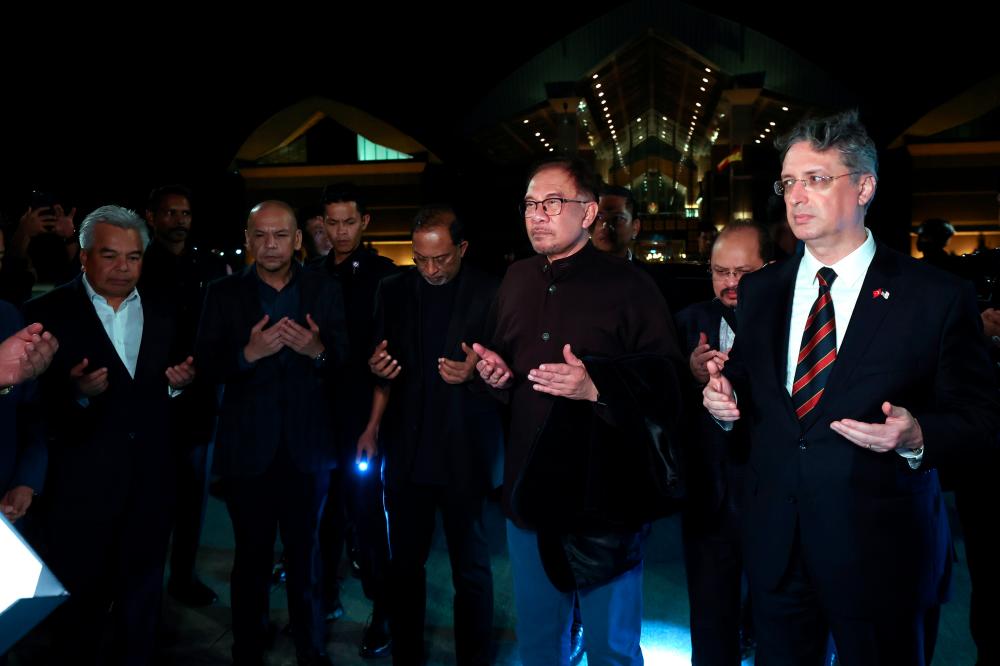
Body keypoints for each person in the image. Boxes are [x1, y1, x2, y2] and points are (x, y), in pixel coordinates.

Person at [703, 110, 999, 665]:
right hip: (778, 548)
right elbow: (745, 388)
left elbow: (983, 419)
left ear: (864, 186)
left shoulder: (933, 296)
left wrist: (916, 437)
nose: (797, 196)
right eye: (789, 182)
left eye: (816, 180)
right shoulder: (762, 290)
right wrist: (723, 402)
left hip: (880, 551)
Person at [474, 157, 682, 666]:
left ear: (588, 213)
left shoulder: (630, 286)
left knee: (611, 648)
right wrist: (497, 378)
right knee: (540, 644)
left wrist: (597, 385)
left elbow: (669, 383)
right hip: (527, 494)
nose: (537, 215)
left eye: (551, 203)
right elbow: (505, 367)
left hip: (604, 501)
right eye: (529, 204)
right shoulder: (517, 279)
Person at [24, 205, 195, 665]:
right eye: (110, 256)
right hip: (78, 494)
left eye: (134, 257)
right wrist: (75, 394)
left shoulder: (166, 309)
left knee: (141, 610)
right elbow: (26, 409)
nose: (124, 268)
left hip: (150, 489)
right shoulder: (44, 313)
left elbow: (182, 390)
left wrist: (179, 387)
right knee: (78, 616)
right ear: (83, 257)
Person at [196, 201, 347, 666]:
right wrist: (248, 353)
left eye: (280, 235)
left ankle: (311, 645)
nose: (270, 245)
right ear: (247, 238)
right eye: (260, 235)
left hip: (308, 449)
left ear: (298, 239)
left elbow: (345, 364)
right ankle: (247, 647)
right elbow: (205, 364)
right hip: (248, 450)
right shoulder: (222, 292)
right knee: (252, 559)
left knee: (308, 557)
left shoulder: (325, 288)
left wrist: (318, 351)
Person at [674, 221, 770, 665]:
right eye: (720, 272)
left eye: (743, 272)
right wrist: (692, 376)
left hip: (774, 494)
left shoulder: (798, 321)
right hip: (708, 494)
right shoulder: (688, 322)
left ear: (770, 268)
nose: (730, 283)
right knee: (711, 619)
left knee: (783, 620)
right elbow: (663, 403)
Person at [310, 182, 398, 657]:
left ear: (365, 223)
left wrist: (372, 427)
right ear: (321, 223)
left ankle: (384, 612)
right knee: (320, 521)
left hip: (361, 416)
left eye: (349, 221)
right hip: (317, 417)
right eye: (332, 222)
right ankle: (322, 601)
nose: (340, 231)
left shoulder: (385, 276)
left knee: (367, 520)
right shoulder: (312, 274)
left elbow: (388, 360)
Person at [140, 184, 228, 607]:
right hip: (149, 397)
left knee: (193, 499)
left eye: (185, 214)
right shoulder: (137, 264)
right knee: (150, 497)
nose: (179, 221)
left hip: (198, 398)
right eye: (170, 213)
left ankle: (183, 576)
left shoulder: (208, 266)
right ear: (152, 217)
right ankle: (143, 582)